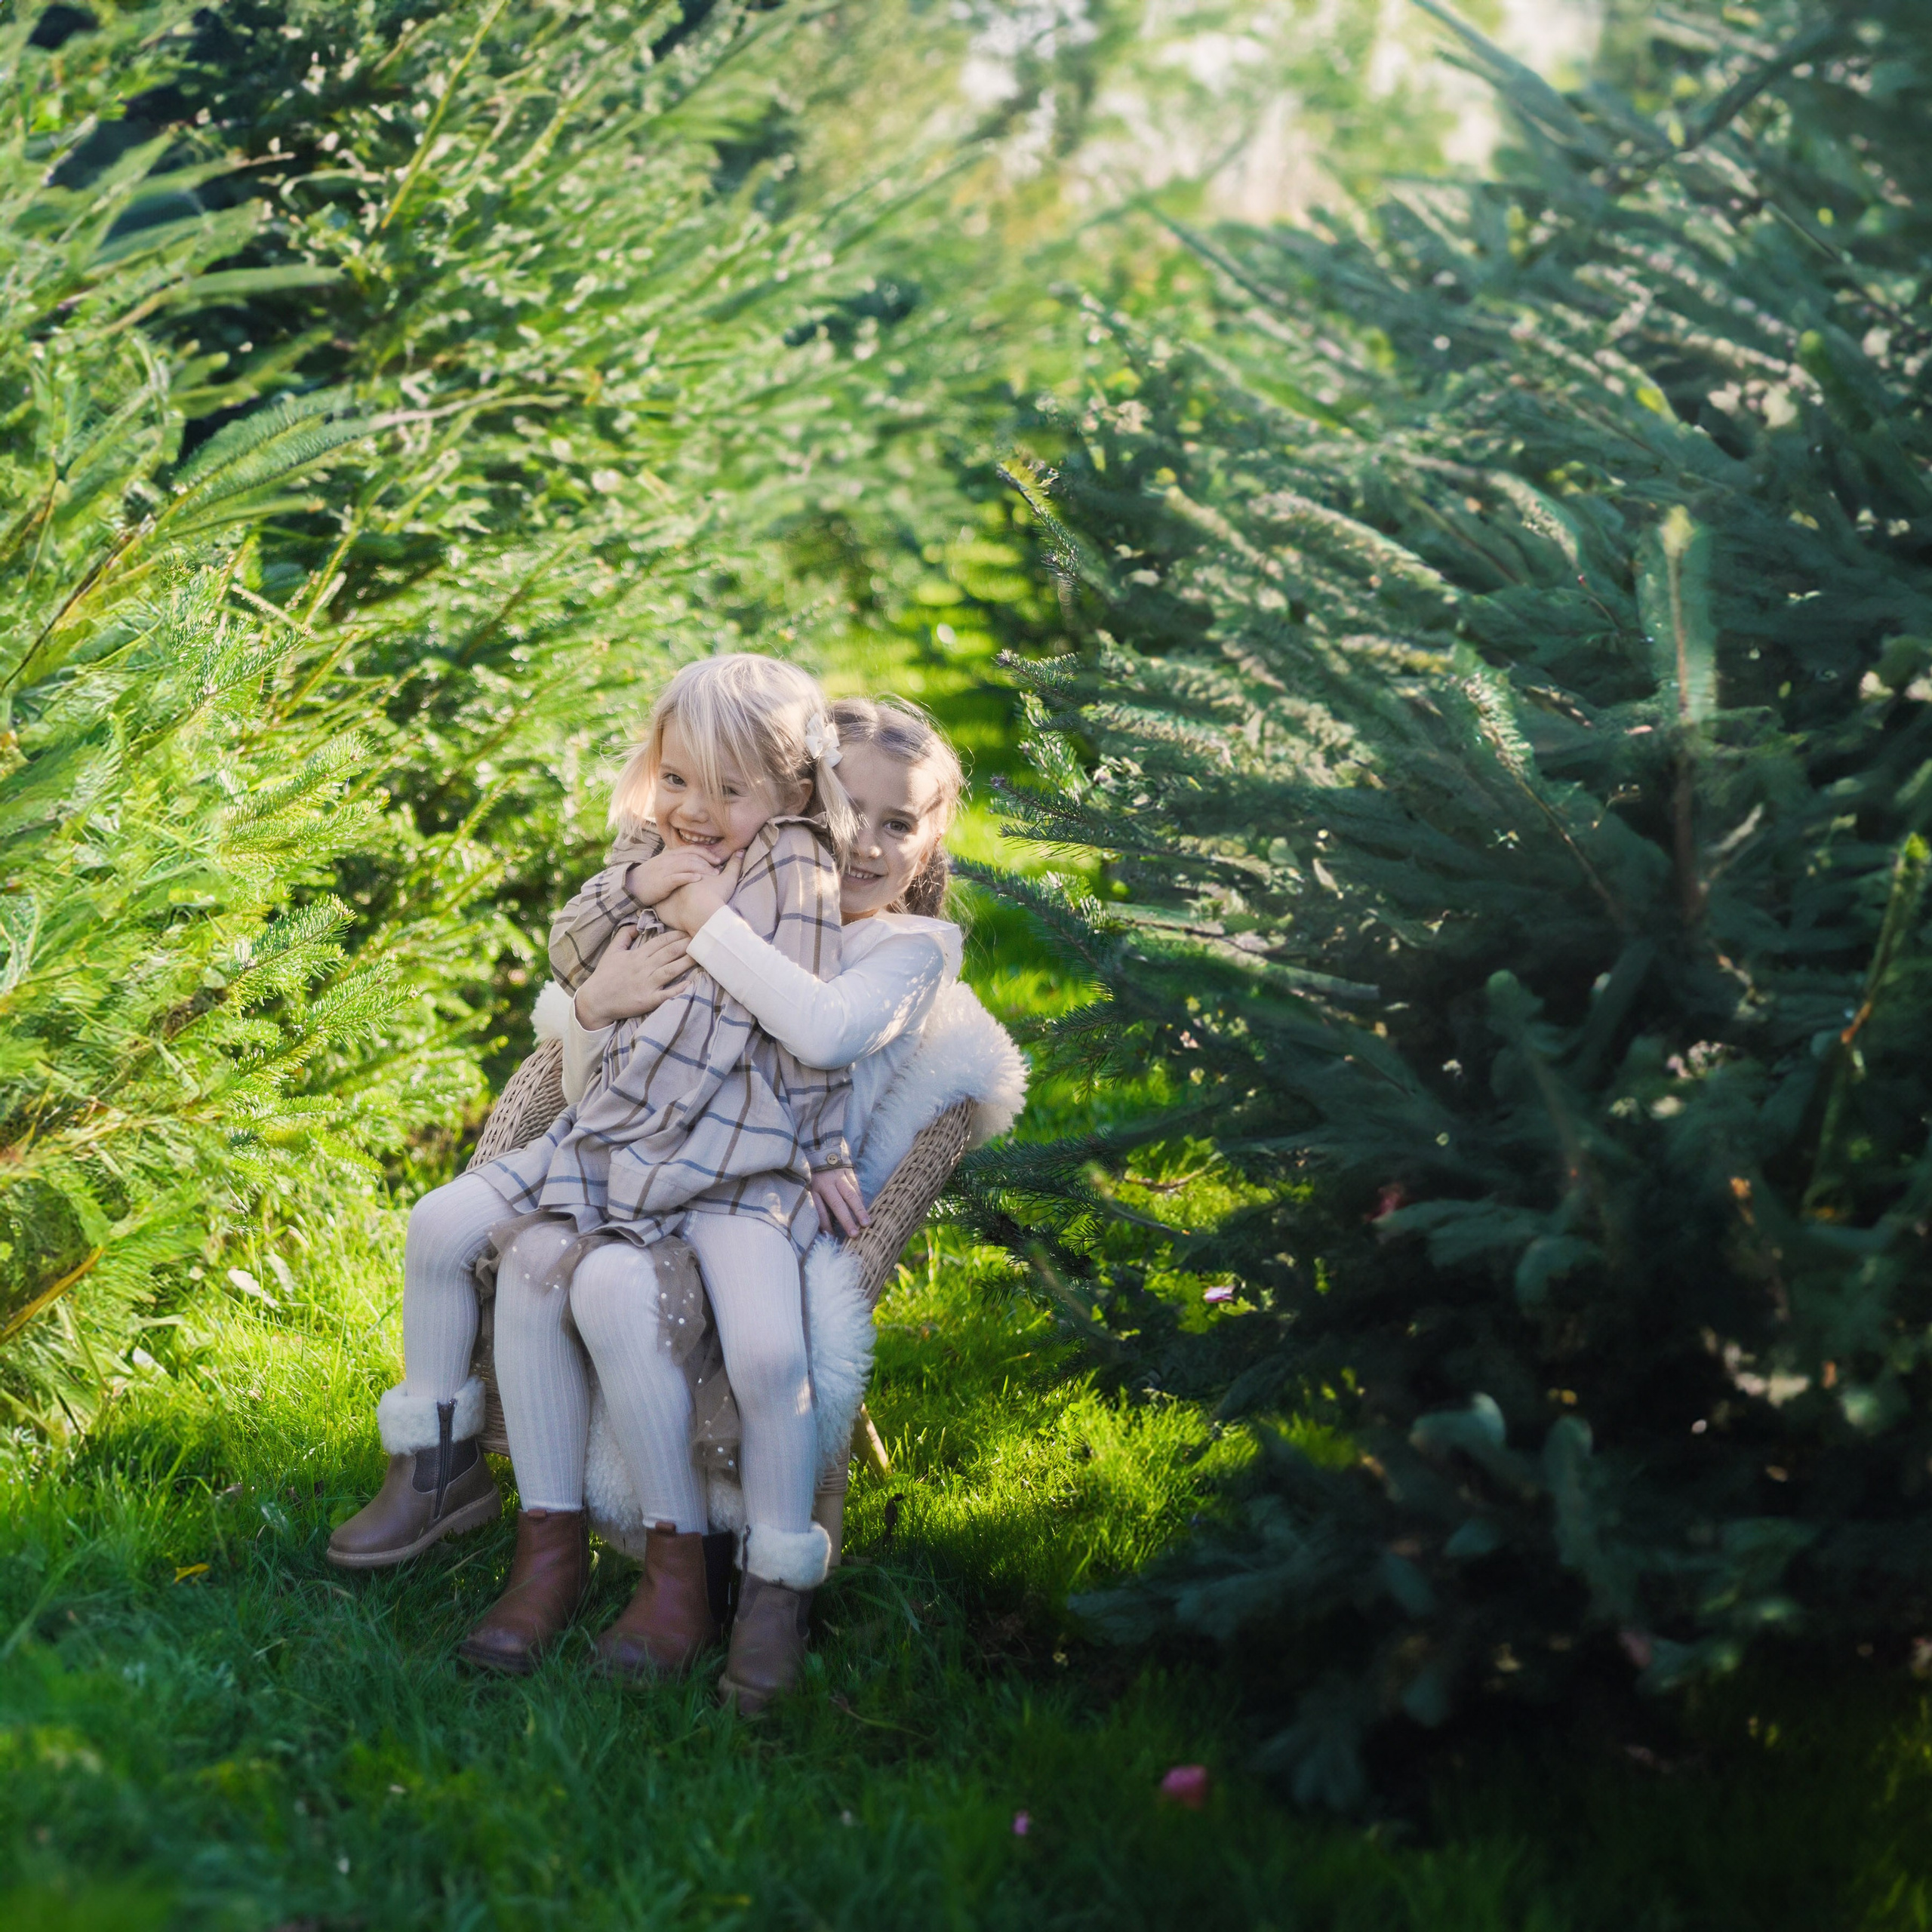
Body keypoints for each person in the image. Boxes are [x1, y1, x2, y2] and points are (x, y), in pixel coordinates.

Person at [328, 656, 854, 1654]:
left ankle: (614, 1564)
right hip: (604, 1130)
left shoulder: (790, 861)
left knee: (543, 1271)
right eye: (678, 778)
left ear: (788, 793)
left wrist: (824, 1146)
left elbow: (804, 1016)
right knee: (437, 1221)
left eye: (728, 789)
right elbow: (572, 954)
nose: (695, 809)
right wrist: (627, 914)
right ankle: (438, 1467)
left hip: (704, 1150)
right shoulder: (652, 844)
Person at [492, 697, 965, 1710]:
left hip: (779, 1206)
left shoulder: (906, 947)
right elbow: (608, 1027)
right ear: (807, 803)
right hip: (662, 1187)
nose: (869, 845)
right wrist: (604, 987)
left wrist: (704, 919)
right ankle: (620, 1564)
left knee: (766, 1355)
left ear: (934, 836)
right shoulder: (750, 896)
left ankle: (773, 1591)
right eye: (854, 813)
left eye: (901, 822)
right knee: (568, 1275)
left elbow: (823, 1030)